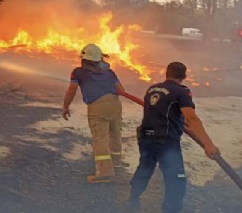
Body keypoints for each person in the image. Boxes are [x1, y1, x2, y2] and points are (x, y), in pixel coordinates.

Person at [129, 62, 220, 212]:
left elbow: (160, 111)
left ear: (167, 73)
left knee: (145, 167)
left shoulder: (152, 89)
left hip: (145, 137)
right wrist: (208, 144)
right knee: (176, 178)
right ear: (184, 76)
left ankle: (133, 198)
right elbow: (191, 118)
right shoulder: (181, 92)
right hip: (165, 141)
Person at [62, 43, 126, 183]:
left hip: (97, 106)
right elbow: (121, 89)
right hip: (115, 103)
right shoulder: (109, 72)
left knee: (100, 138)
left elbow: (71, 90)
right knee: (115, 133)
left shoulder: (78, 72)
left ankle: (104, 172)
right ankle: (115, 163)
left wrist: (66, 106)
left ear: (84, 58)